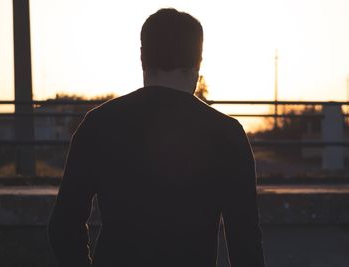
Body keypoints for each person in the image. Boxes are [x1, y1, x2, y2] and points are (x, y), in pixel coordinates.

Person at [48, 8, 265, 267]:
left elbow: (63, 226)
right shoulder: (228, 133)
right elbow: (245, 244)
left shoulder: (99, 123)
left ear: (142, 57)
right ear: (199, 60)